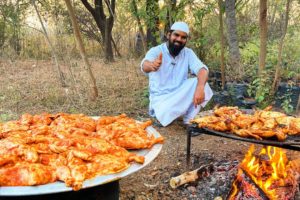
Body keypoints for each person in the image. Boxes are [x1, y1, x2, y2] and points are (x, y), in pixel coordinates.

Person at [141, 21, 213, 127]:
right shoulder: (156, 51)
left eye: (183, 37)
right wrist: (152, 65)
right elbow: (144, 65)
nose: (179, 39)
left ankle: (189, 121)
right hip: (162, 100)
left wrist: (200, 87)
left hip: (179, 95)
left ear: (186, 40)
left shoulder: (188, 53)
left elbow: (202, 69)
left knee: (202, 83)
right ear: (168, 35)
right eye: (176, 35)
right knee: (165, 111)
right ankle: (163, 116)